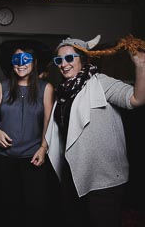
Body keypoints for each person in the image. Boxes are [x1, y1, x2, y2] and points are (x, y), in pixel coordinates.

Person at [45, 34, 145, 227]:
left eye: (69, 58)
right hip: (73, 176)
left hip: (103, 178)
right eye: (59, 60)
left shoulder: (100, 82)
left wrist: (141, 65)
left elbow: (136, 99)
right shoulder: (63, 91)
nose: (63, 64)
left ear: (83, 59)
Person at [0, 46, 54, 227]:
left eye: (26, 59)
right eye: (17, 60)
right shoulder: (2, 86)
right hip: (3, 157)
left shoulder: (45, 88)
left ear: (34, 62)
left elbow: (48, 120)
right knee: (6, 205)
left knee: (34, 206)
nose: (21, 64)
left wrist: (43, 147)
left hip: (32, 157)